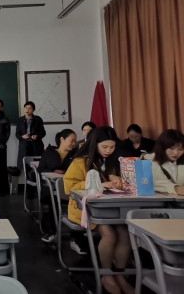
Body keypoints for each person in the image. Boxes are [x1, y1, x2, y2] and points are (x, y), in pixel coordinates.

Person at [64, 126, 134, 294]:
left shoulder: (115, 161)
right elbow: (69, 187)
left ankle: (120, 275)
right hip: (86, 209)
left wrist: (119, 182)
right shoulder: (81, 161)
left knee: (125, 233)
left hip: (112, 208)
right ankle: (107, 275)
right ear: (94, 144)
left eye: (112, 147)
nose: (108, 150)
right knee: (109, 234)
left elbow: (128, 184)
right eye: (104, 147)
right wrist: (96, 185)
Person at [37, 129, 84, 252]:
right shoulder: (49, 153)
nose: (73, 143)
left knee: (77, 202)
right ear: (62, 139)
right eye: (71, 140)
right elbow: (40, 170)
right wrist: (53, 172)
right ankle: (53, 232)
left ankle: (76, 238)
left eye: (75, 141)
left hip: (71, 190)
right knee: (53, 201)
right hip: (52, 189)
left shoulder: (76, 155)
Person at [150, 129, 184, 195]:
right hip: (159, 200)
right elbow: (148, 182)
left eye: (180, 149)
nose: (176, 153)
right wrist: (175, 188)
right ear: (162, 147)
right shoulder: (150, 161)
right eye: (171, 148)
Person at [15, 101, 46, 169]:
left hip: (35, 145)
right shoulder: (20, 120)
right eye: (26, 108)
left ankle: (35, 175)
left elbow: (43, 132)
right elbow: (17, 134)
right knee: (24, 165)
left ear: (33, 110)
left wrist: (37, 136)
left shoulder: (38, 119)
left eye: (30, 108)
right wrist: (22, 136)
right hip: (24, 145)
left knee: (36, 164)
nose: (27, 110)